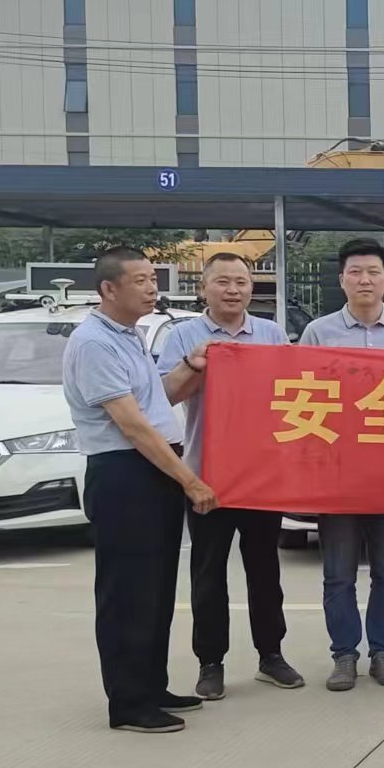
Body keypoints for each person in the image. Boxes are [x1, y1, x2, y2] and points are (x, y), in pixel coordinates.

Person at [63, 246, 218, 733]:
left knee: (155, 588)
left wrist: (191, 365)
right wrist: (190, 479)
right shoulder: (94, 343)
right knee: (128, 592)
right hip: (124, 474)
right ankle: (128, 703)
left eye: (153, 279)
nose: (152, 288)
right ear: (109, 289)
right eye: (141, 281)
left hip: (152, 472)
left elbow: (157, 398)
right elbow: (132, 426)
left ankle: (151, 685)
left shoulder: (131, 336)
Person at [157, 251, 301, 701]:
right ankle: (210, 662)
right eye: (222, 281)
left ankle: (271, 655)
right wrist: (194, 365)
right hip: (206, 474)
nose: (233, 290)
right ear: (204, 288)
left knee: (265, 569)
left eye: (241, 281)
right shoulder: (184, 335)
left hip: (261, 474)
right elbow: (164, 395)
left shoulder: (271, 334)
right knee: (208, 572)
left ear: (252, 288)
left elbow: (291, 391)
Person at [299, 238, 384, 692]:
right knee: (338, 573)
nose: (365, 280)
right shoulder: (318, 333)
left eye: (373, 272)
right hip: (337, 475)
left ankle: (382, 652)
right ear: (342, 280)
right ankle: (344, 655)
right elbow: (301, 394)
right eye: (355, 272)